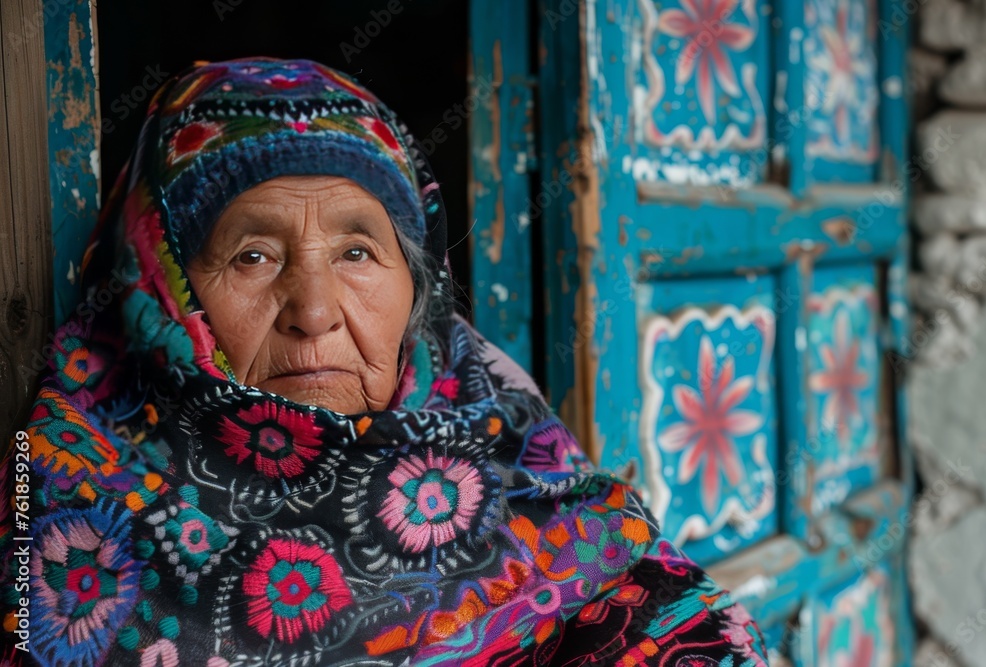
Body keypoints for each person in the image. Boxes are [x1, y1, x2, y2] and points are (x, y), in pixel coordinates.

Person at [0, 58, 768, 666]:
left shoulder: (518, 458)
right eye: (253, 253)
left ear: (418, 284)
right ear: (163, 286)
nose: (314, 308)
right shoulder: (62, 505)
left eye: (359, 251)